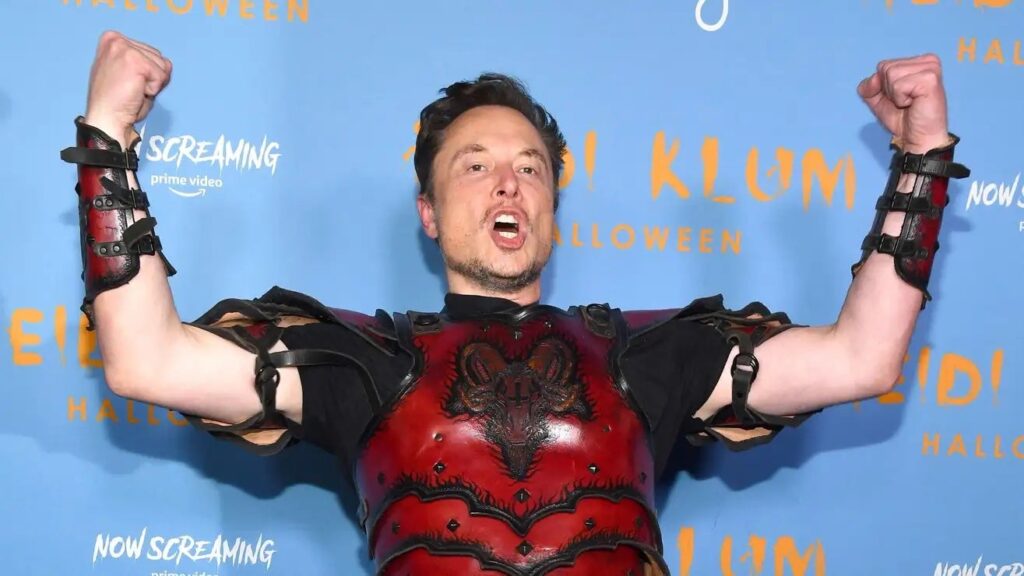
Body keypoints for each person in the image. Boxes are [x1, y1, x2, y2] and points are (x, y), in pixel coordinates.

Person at [61, 30, 969, 576]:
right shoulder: (363, 360)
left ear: (551, 206)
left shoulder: (648, 355)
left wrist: (921, 158)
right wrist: (107, 140)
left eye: (531, 168)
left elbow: (861, 359)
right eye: (477, 165)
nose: (509, 183)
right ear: (428, 212)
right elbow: (149, 360)